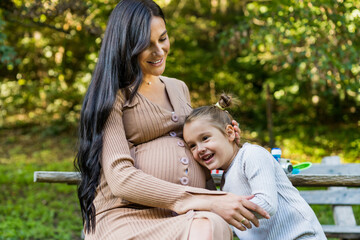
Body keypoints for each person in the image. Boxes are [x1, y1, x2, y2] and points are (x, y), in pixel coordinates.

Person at [74, 0, 270, 239]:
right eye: (147, 45)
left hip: (188, 214)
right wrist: (205, 200)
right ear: (126, 46)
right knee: (207, 224)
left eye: (163, 38)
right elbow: (120, 179)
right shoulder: (111, 96)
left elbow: (196, 150)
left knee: (211, 225)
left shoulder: (179, 88)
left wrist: (225, 145)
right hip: (125, 215)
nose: (159, 51)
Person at [183, 94, 327, 240]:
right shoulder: (226, 177)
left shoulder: (252, 155)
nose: (200, 149)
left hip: (300, 235)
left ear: (230, 133)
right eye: (192, 146)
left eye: (205, 138)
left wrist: (221, 209)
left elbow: (267, 204)